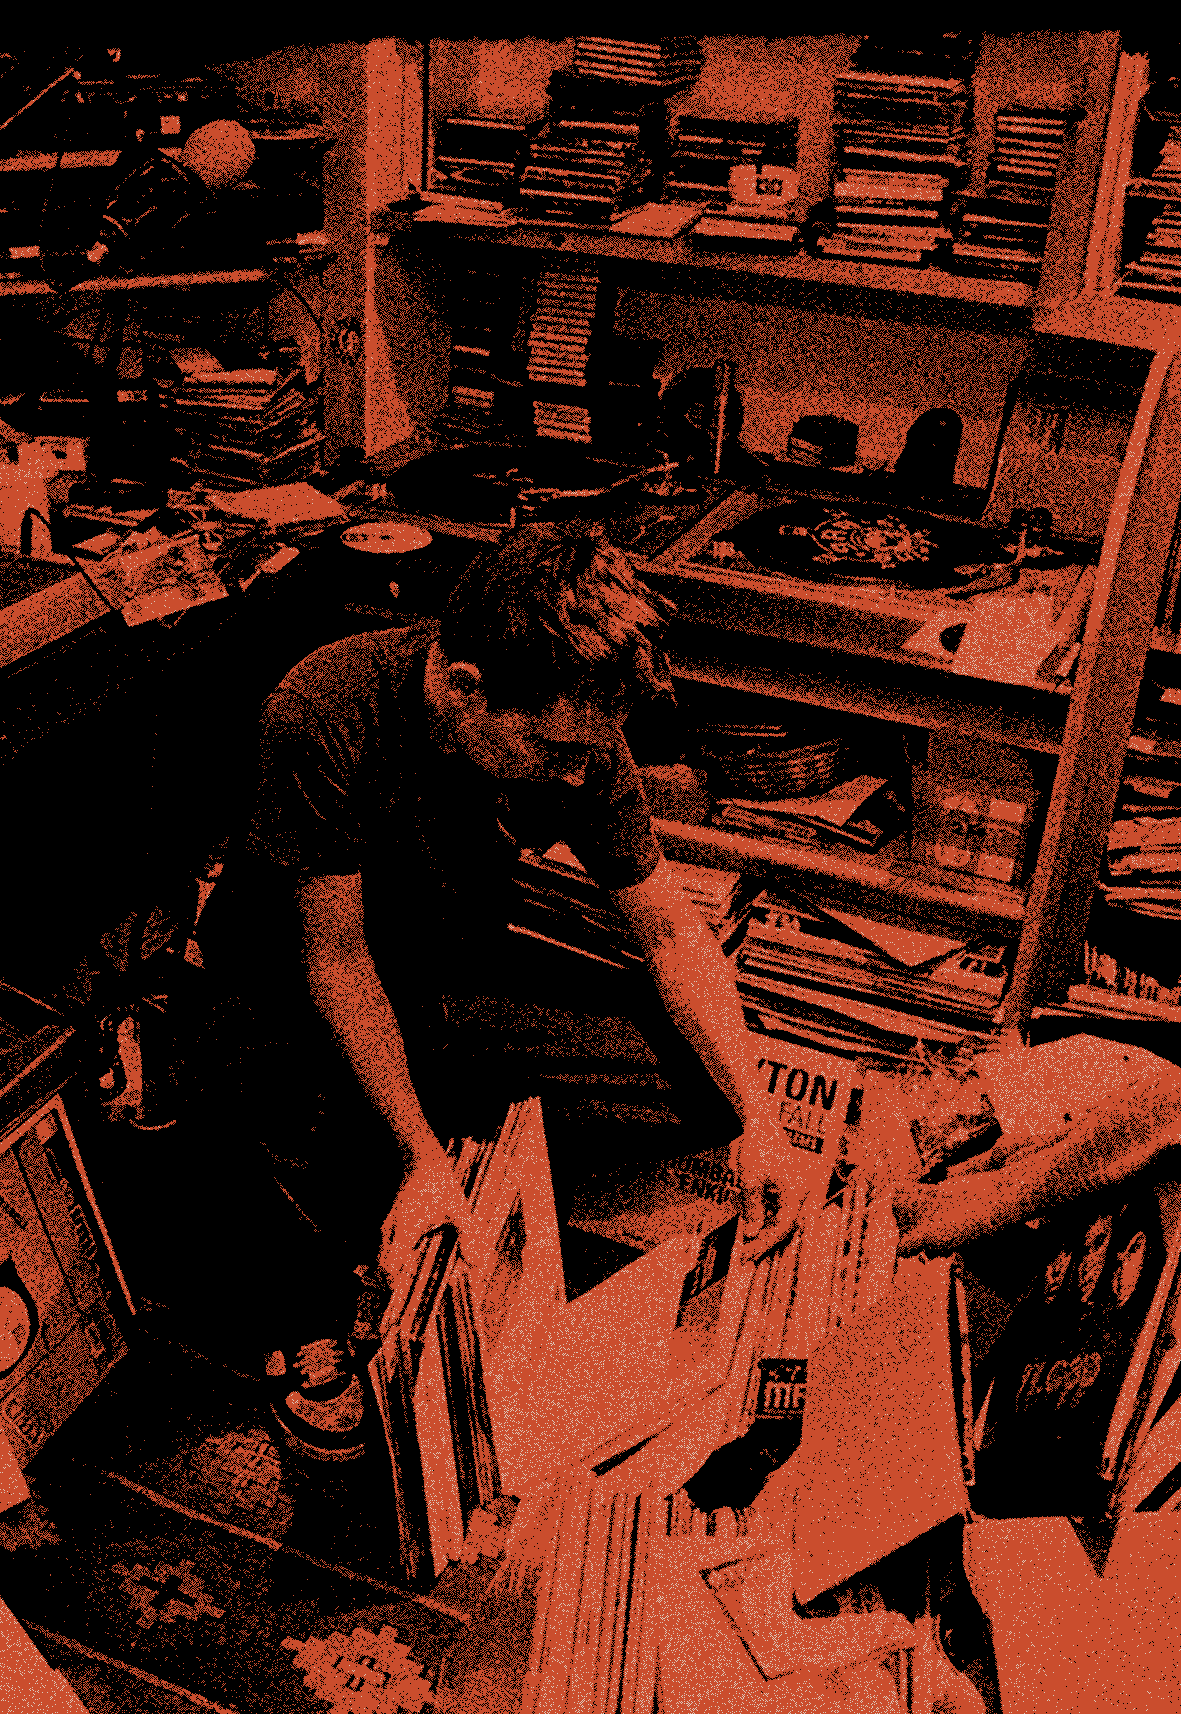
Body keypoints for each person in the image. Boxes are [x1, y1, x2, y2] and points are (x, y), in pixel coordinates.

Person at [194, 526, 803, 1435]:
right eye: (552, 749)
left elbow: (669, 927)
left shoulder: (578, 730)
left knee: (707, 1088)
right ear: (464, 687)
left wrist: (761, 1121)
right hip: (293, 991)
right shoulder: (323, 707)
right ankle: (338, 1244)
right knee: (287, 1144)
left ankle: (430, 1153)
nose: (577, 772)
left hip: (447, 974)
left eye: (589, 749)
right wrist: (419, 1152)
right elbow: (337, 960)